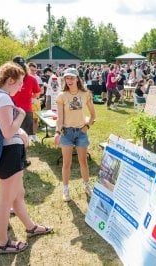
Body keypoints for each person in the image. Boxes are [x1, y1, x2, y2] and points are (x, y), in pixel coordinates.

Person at [0, 62, 52, 253]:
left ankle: (30, 227)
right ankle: (3, 243)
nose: (21, 88)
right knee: (6, 200)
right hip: (8, 153)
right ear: (10, 81)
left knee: (17, 195)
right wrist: (21, 115)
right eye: (19, 83)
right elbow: (8, 131)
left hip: (3, 153)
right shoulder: (3, 99)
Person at [54, 68, 96, 202]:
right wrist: (57, 132)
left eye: (72, 78)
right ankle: (65, 189)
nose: (70, 80)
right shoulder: (62, 95)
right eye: (67, 78)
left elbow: (93, 114)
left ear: (78, 78)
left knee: (83, 161)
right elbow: (59, 118)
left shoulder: (86, 94)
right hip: (67, 133)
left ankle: (86, 185)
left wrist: (87, 126)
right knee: (66, 163)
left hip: (81, 133)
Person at [11, 56, 41, 153]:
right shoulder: (31, 79)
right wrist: (29, 95)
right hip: (13, 109)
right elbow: (36, 94)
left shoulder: (31, 79)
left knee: (22, 135)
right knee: (18, 134)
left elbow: (37, 93)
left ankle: (22, 156)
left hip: (23, 109)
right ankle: (19, 155)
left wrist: (28, 96)